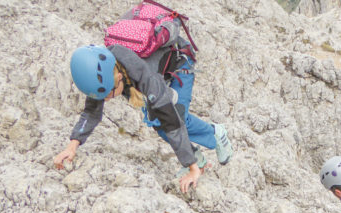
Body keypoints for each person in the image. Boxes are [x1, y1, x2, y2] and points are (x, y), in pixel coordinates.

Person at [54, 15, 232, 194]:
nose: (106, 99)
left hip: (180, 63)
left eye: (109, 94)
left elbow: (171, 121)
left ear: (119, 78)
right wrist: (72, 146)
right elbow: (91, 112)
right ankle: (197, 158)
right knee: (158, 123)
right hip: (160, 69)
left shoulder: (144, 77)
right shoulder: (104, 71)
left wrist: (191, 168)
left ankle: (215, 133)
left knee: (176, 115)